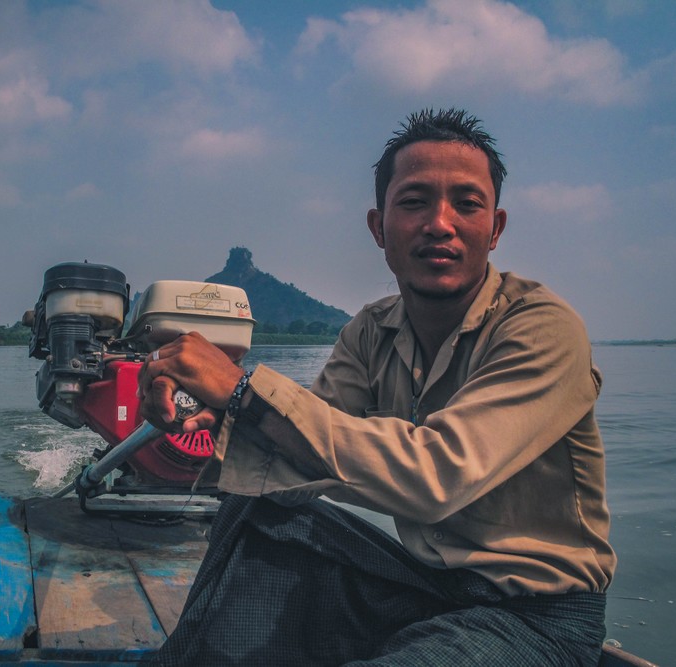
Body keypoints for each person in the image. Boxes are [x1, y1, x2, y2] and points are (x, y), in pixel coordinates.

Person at [137, 108, 615, 666]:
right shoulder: (372, 329)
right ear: (378, 227)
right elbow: (304, 450)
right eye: (413, 202)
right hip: (427, 586)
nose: (440, 223)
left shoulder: (541, 327)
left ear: (497, 229)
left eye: (467, 203)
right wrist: (214, 414)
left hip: (538, 617)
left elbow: (436, 477)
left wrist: (241, 389)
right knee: (257, 510)